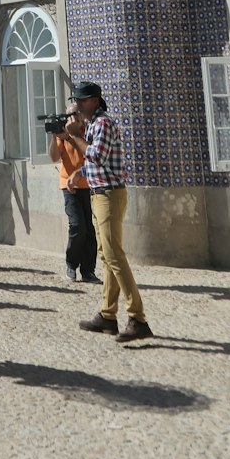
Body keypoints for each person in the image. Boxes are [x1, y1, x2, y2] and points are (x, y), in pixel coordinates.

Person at [68, 81, 152, 343]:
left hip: (109, 194)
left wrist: (73, 135)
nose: (77, 105)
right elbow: (99, 162)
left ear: (94, 100)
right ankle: (107, 315)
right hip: (100, 192)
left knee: (114, 254)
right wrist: (79, 173)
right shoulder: (93, 125)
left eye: (81, 101)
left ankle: (138, 318)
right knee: (105, 255)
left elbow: (97, 155)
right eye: (76, 100)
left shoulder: (103, 123)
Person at [48, 101, 98, 284]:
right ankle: (71, 264)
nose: (71, 118)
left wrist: (72, 136)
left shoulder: (89, 132)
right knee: (77, 226)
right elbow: (54, 157)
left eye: (74, 114)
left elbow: (90, 155)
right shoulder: (64, 134)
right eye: (69, 114)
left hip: (91, 185)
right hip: (69, 186)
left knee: (90, 231)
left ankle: (88, 271)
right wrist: (55, 136)